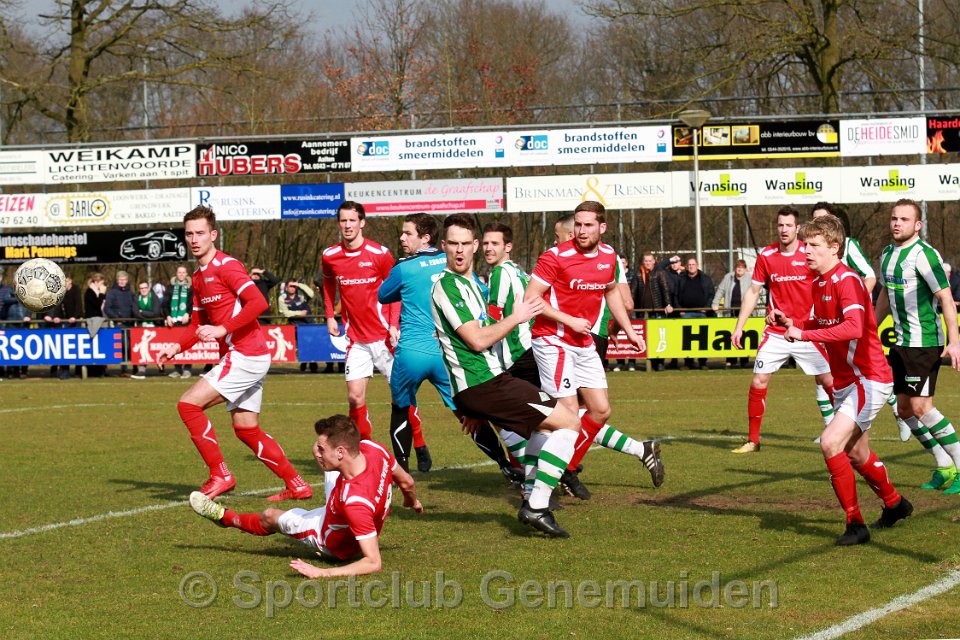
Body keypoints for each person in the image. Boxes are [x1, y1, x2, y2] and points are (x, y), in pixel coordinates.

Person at [431, 214, 584, 537]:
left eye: (465, 243)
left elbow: (479, 340)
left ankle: (532, 495)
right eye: (452, 243)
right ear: (443, 246)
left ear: (474, 246)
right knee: (569, 422)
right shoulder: (446, 286)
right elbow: (477, 340)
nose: (459, 250)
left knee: (546, 426)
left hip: (488, 382)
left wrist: (474, 405)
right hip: (482, 383)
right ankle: (536, 505)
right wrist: (517, 317)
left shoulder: (474, 285)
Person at [769, 214, 912, 545]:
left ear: (834, 247)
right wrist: (792, 322)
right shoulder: (819, 282)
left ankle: (855, 525)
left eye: (813, 245)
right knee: (856, 454)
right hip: (848, 381)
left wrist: (803, 335)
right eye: (805, 244)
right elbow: (822, 323)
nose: (806, 250)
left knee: (830, 442)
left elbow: (854, 327)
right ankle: (895, 504)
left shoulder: (847, 280)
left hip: (868, 378)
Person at [157, 205, 312, 502]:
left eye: (200, 233)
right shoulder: (198, 277)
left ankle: (220, 474)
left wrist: (222, 328)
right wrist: (175, 347)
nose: (194, 239)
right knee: (246, 428)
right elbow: (196, 324)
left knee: (188, 405)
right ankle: (297, 484)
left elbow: (258, 303)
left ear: (213, 234)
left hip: (245, 353)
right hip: (247, 356)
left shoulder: (227, 266)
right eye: (189, 234)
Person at [525, 202, 663, 500]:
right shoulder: (555, 256)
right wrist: (569, 320)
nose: (581, 230)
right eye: (578, 224)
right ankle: (537, 490)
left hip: (583, 342)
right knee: (568, 416)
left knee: (600, 410)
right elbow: (531, 299)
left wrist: (629, 331)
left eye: (588, 225)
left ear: (602, 227)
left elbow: (611, 292)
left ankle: (563, 468)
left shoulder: (609, 256)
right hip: (553, 341)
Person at [189, 414, 423, 577]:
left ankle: (223, 517)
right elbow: (407, 481)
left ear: (341, 452)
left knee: (270, 516)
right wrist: (411, 501)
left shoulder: (355, 502)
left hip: (330, 537)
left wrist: (322, 573)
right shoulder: (375, 449)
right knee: (331, 472)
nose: (316, 453)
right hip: (345, 504)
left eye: (322, 449)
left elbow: (373, 562)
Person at [731, 206, 835, 453]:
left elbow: (827, 283)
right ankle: (753, 441)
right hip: (776, 333)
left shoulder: (809, 253)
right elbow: (753, 292)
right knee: (759, 380)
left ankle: (848, 431)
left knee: (829, 380)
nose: (784, 229)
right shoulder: (767, 255)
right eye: (780, 225)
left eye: (789, 225)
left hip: (806, 331)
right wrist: (739, 327)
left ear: (798, 228)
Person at [875, 198, 960, 495]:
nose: (897, 223)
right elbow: (885, 295)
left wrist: (955, 341)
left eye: (904, 219)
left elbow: (945, 297)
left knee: (922, 407)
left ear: (918, 225)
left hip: (924, 342)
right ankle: (943, 465)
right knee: (904, 409)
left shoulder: (924, 255)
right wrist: (870, 327)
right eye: (894, 218)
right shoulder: (887, 254)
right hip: (900, 343)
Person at [811, 202, 910, 441]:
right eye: (814, 219)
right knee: (822, 375)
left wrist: (854, 303)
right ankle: (833, 428)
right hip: (826, 315)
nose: (817, 223)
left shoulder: (849, 246)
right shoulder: (812, 250)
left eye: (823, 218)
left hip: (846, 317)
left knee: (863, 371)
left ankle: (897, 412)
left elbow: (870, 275)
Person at [377, 213, 452, 473]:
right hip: (446, 351)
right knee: (469, 411)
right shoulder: (450, 260)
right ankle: (508, 464)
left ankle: (402, 470)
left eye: (407, 233)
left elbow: (383, 295)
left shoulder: (404, 267)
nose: (402, 238)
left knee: (400, 405)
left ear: (425, 237)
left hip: (412, 352)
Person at [322, 200, 399, 441]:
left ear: (362, 223)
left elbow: (396, 291)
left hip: (385, 337)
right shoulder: (330, 256)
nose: (347, 225)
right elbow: (327, 284)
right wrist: (329, 315)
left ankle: (418, 445)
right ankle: (362, 448)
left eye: (352, 220)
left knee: (401, 395)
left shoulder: (380, 254)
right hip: (356, 339)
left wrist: (394, 324)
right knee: (355, 397)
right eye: (343, 220)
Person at [630, 252, 674, 371]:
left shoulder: (660, 273)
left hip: (658, 311)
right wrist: (629, 305)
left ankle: (659, 363)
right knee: (644, 338)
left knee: (659, 338)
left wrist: (668, 304)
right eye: (646, 261)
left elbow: (665, 289)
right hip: (642, 312)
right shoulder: (638, 274)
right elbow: (633, 291)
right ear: (643, 262)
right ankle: (644, 363)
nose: (648, 263)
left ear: (654, 261)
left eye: (650, 261)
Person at [676, 256, 715, 370]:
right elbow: (675, 295)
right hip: (686, 313)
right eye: (689, 265)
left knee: (703, 338)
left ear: (697, 266)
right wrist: (679, 309)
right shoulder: (681, 278)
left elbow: (711, 294)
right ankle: (688, 362)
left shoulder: (705, 278)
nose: (691, 266)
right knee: (686, 339)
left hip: (701, 313)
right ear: (686, 266)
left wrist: (706, 308)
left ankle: (702, 362)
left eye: (693, 264)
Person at [713, 259, 753, 369]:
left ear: (745, 269)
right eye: (738, 267)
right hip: (729, 311)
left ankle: (744, 360)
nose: (739, 269)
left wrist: (751, 307)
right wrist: (715, 303)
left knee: (743, 335)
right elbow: (720, 290)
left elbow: (754, 293)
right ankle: (730, 360)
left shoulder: (750, 278)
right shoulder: (728, 277)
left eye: (742, 267)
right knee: (730, 336)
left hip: (744, 312)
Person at [278, 280, 318, 373]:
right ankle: (304, 361)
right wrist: (300, 313)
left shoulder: (301, 295)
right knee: (301, 345)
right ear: (286, 287)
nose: (292, 288)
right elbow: (285, 313)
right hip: (295, 324)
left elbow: (311, 294)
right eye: (290, 286)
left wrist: (299, 284)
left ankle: (312, 364)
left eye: (294, 286)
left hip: (308, 322)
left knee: (311, 344)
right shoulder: (282, 298)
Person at [103, 270, 136, 377]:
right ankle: (124, 368)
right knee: (124, 345)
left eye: (124, 279)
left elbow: (134, 306)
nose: (122, 281)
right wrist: (117, 318)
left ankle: (135, 367)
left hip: (131, 323)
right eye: (120, 279)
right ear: (117, 281)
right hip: (119, 324)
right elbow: (107, 308)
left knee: (133, 345)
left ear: (127, 280)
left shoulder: (130, 293)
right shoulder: (112, 293)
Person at [164, 266, 194, 379]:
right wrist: (167, 315)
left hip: (186, 321)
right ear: (176, 274)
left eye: (183, 272)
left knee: (187, 345)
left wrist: (188, 313)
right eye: (179, 272)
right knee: (174, 345)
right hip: (174, 321)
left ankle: (187, 369)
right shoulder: (170, 288)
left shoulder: (191, 288)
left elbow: (194, 303)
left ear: (186, 274)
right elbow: (165, 303)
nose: (181, 274)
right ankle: (177, 369)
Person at [132, 279, 164, 379]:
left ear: (149, 288)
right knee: (144, 349)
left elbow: (156, 313)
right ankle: (142, 370)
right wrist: (147, 314)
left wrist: (142, 312)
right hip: (142, 328)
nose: (143, 290)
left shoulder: (154, 298)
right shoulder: (136, 298)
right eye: (141, 288)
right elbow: (135, 313)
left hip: (155, 327)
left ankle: (161, 366)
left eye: (145, 288)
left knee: (157, 348)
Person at [83, 272, 108, 378]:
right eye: (102, 283)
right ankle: (93, 370)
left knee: (101, 346)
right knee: (93, 346)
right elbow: (97, 305)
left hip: (100, 321)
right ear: (97, 282)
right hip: (93, 322)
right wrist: (102, 294)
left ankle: (102, 369)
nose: (103, 285)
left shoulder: (98, 292)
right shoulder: (89, 292)